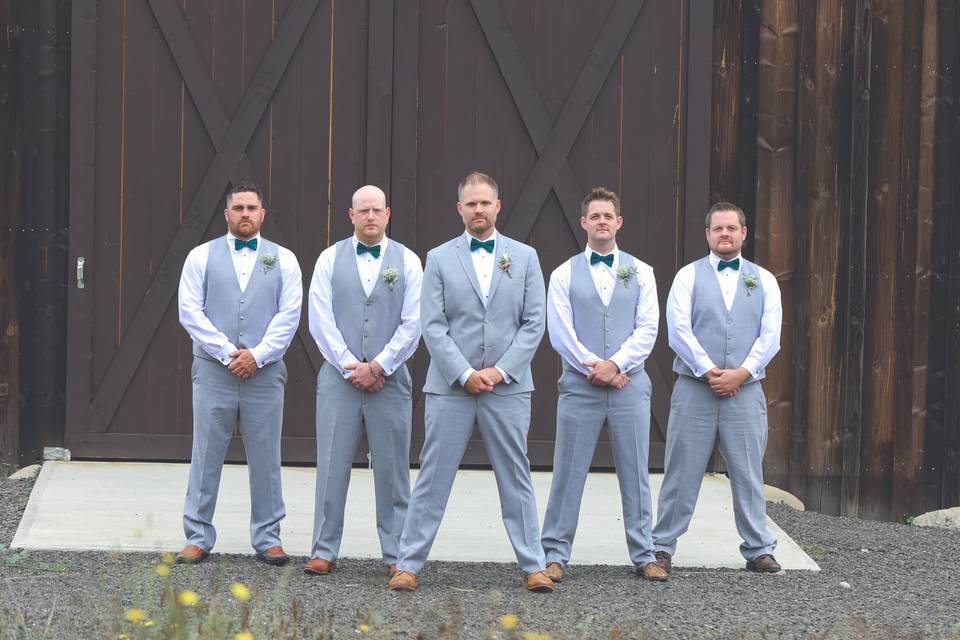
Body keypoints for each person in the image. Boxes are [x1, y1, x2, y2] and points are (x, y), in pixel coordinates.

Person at [388, 172, 553, 593]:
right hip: (450, 388)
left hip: (508, 386)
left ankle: (533, 564)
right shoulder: (439, 257)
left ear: (499, 206)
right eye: (471, 203)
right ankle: (408, 564)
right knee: (432, 476)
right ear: (459, 208)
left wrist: (500, 371)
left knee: (515, 476)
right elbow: (433, 323)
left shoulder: (525, 256)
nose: (478, 209)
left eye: (485, 202)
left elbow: (534, 322)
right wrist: (463, 372)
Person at [539, 187, 667, 583]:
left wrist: (616, 364)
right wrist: (595, 367)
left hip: (630, 385)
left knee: (635, 471)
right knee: (568, 470)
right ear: (584, 223)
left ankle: (644, 553)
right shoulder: (563, 273)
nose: (601, 222)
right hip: (580, 386)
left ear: (619, 222)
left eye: (608, 216)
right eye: (594, 216)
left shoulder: (642, 271)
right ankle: (555, 554)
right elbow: (560, 331)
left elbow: (648, 328)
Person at [175, 181, 302, 565]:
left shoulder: (285, 259)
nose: (245, 214)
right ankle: (197, 535)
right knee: (206, 451)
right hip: (214, 370)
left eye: (252, 208)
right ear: (226, 214)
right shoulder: (200, 256)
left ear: (262, 214)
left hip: (264, 373)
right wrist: (229, 352)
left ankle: (268, 537)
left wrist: (258, 355)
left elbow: (289, 314)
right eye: (238, 208)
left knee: (266, 455)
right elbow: (189, 312)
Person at [652, 202, 783, 575]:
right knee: (682, 470)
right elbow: (678, 330)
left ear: (744, 233)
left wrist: (741, 373)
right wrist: (710, 370)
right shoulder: (687, 277)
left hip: (746, 389)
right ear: (707, 234)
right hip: (695, 387)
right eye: (718, 229)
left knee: (748, 472)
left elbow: (770, 336)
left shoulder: (765, 280)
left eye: (731, 228)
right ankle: (662, 547)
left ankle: (758, 548)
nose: (725, 234)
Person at [304, 185, 422, 577]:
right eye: (363, 211)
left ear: (388, 214)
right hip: (339, 378)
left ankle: (397, 554)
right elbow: (320, 319)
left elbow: (413, 323)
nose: (370, 217)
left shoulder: (408, 261)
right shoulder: (327, 258)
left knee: (392, 469)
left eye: (377, 210)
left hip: (390, 379)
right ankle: (323, 549)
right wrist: (350, 364)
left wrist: (380, 366)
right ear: (350, 215)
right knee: (332, 464)